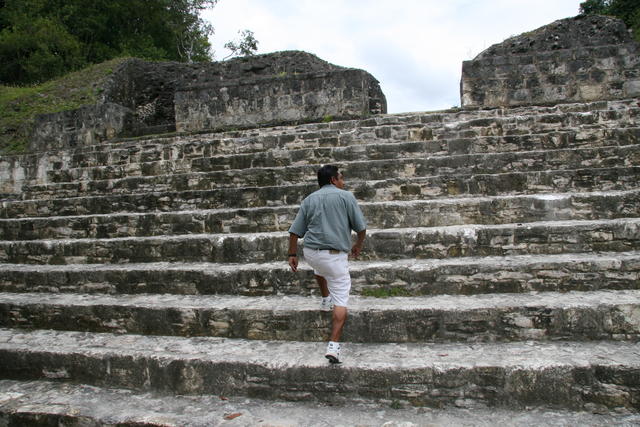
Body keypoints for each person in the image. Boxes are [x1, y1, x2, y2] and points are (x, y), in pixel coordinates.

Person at [287, 165, 367, 364]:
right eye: (341, 177)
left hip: (311, 252)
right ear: (333, 179)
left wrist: (292, 254)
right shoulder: (345, 196)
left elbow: (294, 232)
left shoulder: (309, 200)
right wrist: (358, 245)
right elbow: (361, 228)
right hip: (334, 255)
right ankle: (334, 346)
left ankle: (325, 299)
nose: (343, 181)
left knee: (319, 267)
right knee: (341, 299)